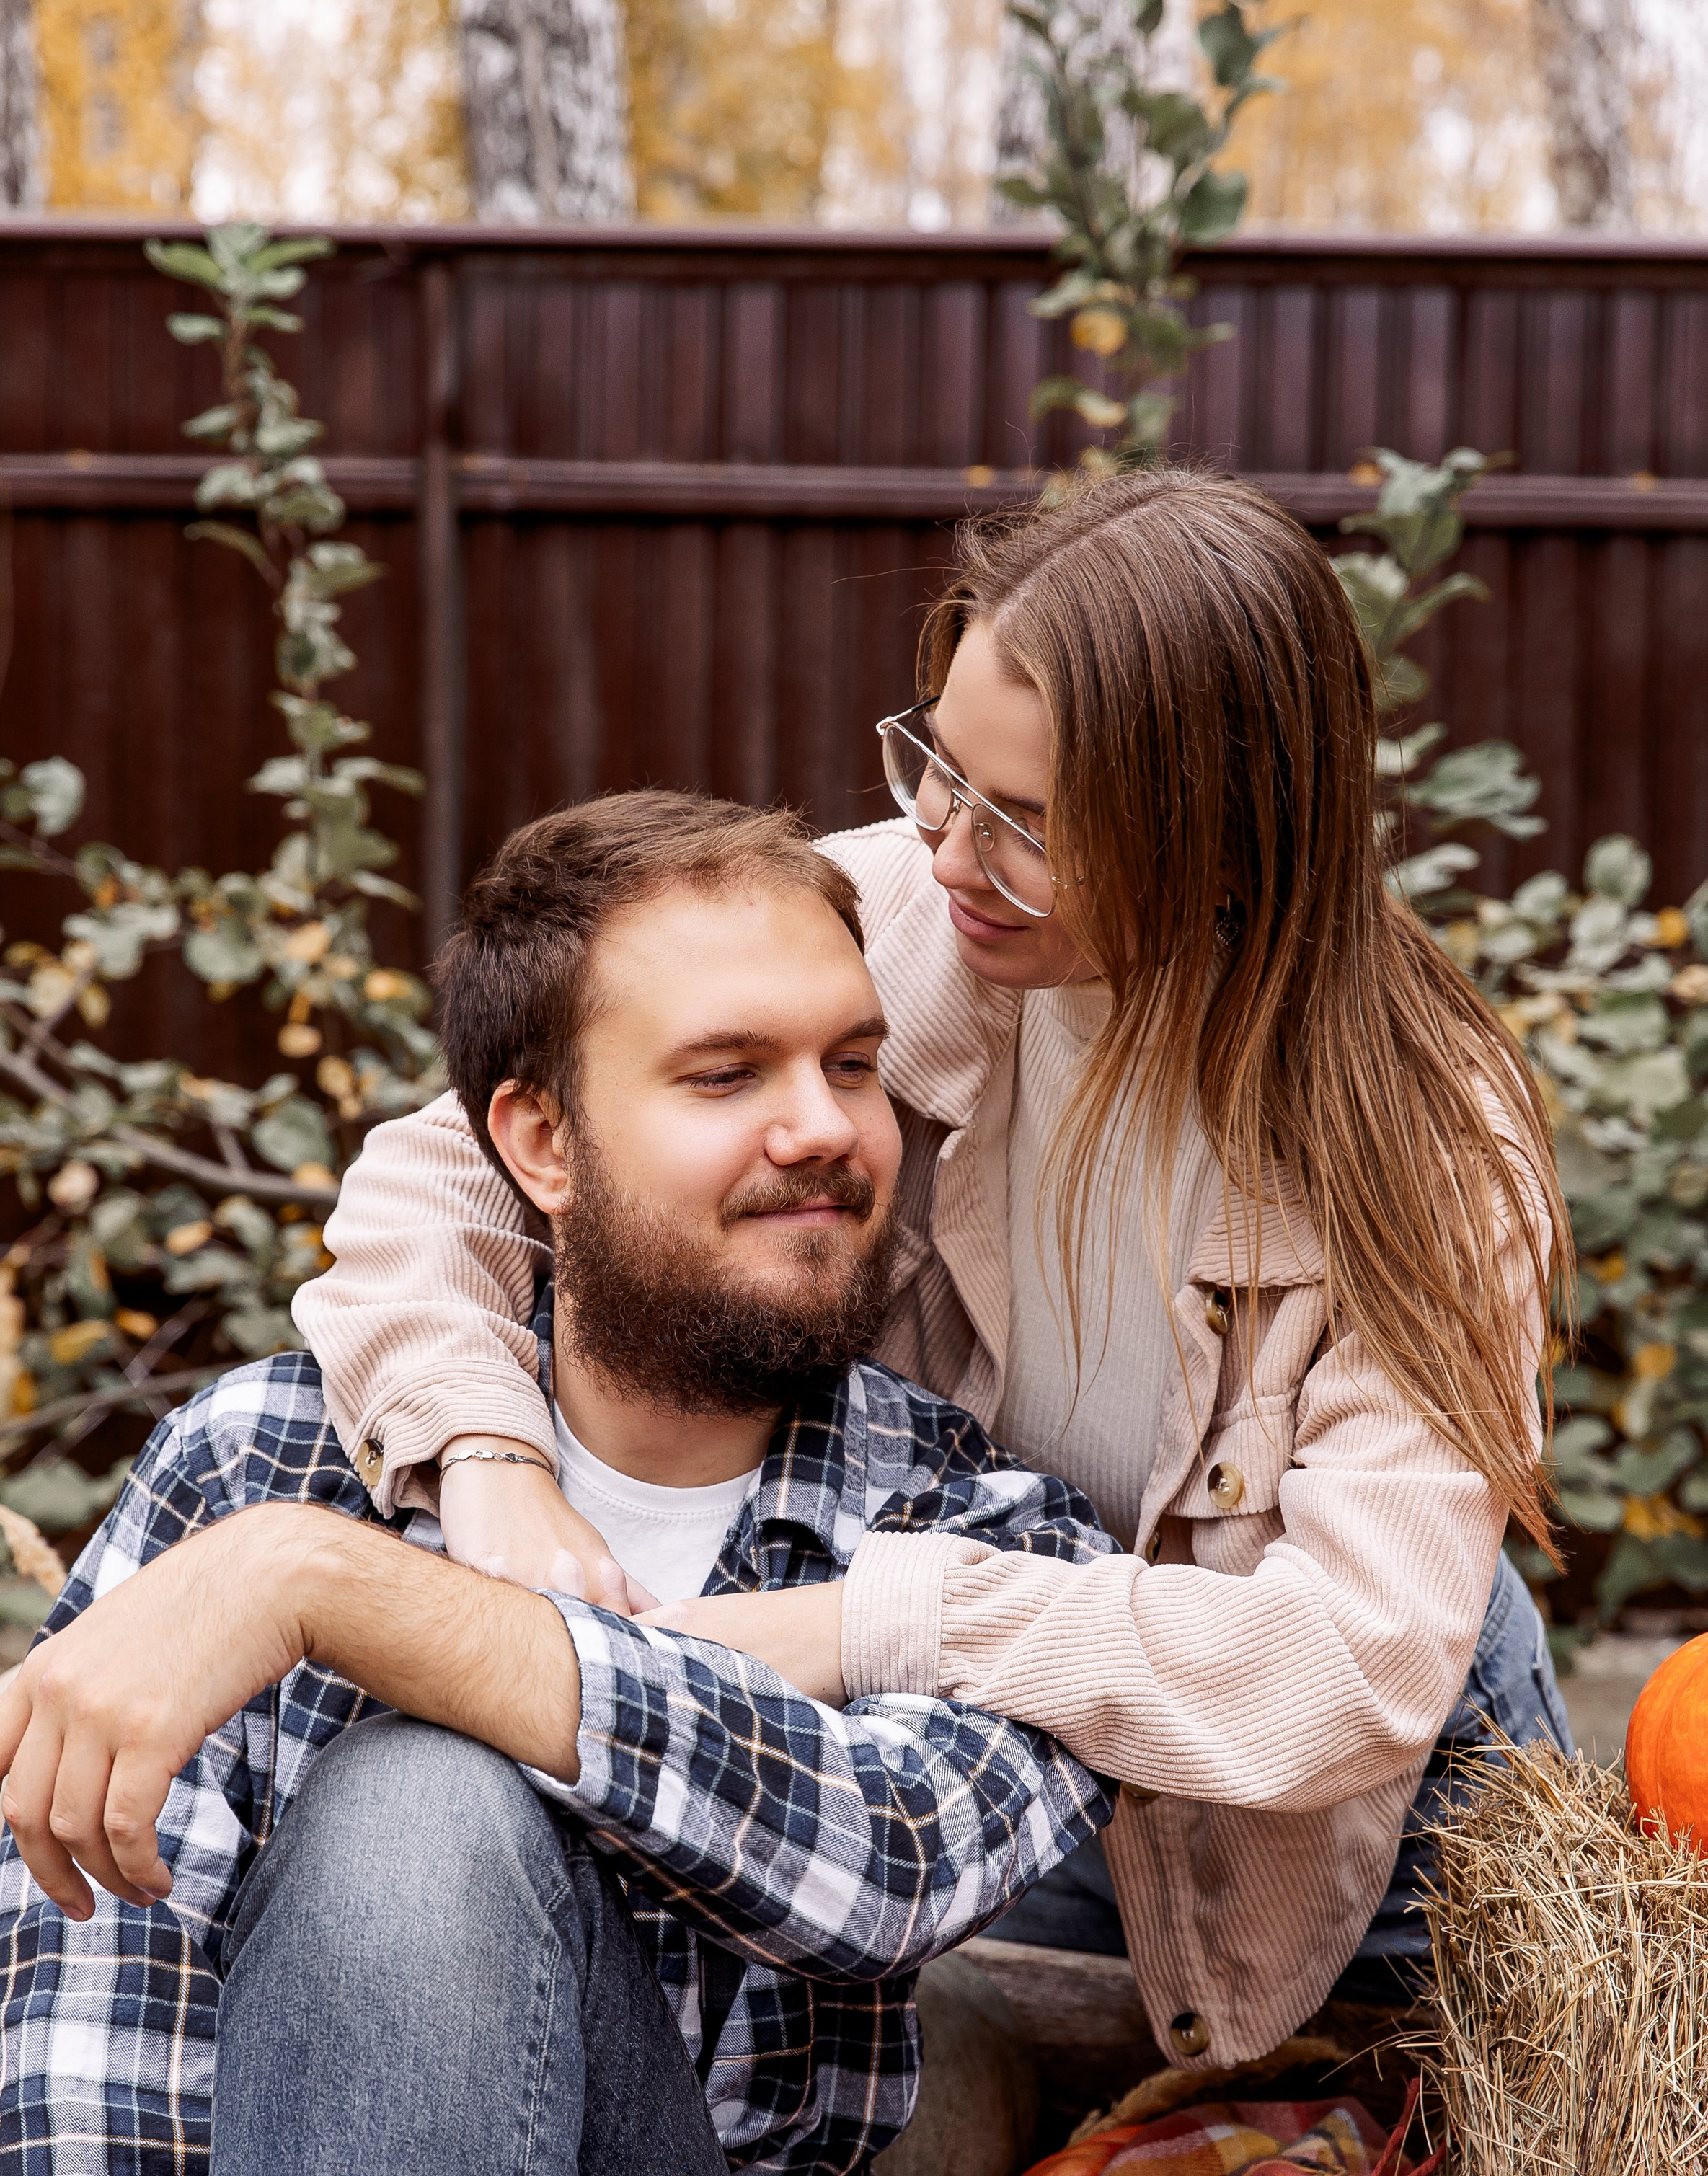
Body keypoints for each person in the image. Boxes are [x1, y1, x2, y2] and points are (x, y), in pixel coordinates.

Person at [0, 795, 1115, 2176]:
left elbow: (876, 1863)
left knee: (424, 1809)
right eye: (726, 1074)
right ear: (536, 1140)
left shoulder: (980, 1538)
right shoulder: (258, 1463)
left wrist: (342, 1594)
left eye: (852, 1065)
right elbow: (90, 2051)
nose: (823, 1128)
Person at [294, 466, 1574, 2074]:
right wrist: (484, 1458)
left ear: (1225, 831)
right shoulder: (908, 913)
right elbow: (454, 1169)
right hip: (1011, 1750)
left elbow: (1347, 1670)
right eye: (937, 766)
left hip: (1339, 1835)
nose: (947, 845)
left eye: (1021, 821)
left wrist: (877, 1622)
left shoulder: (1426, 1139)